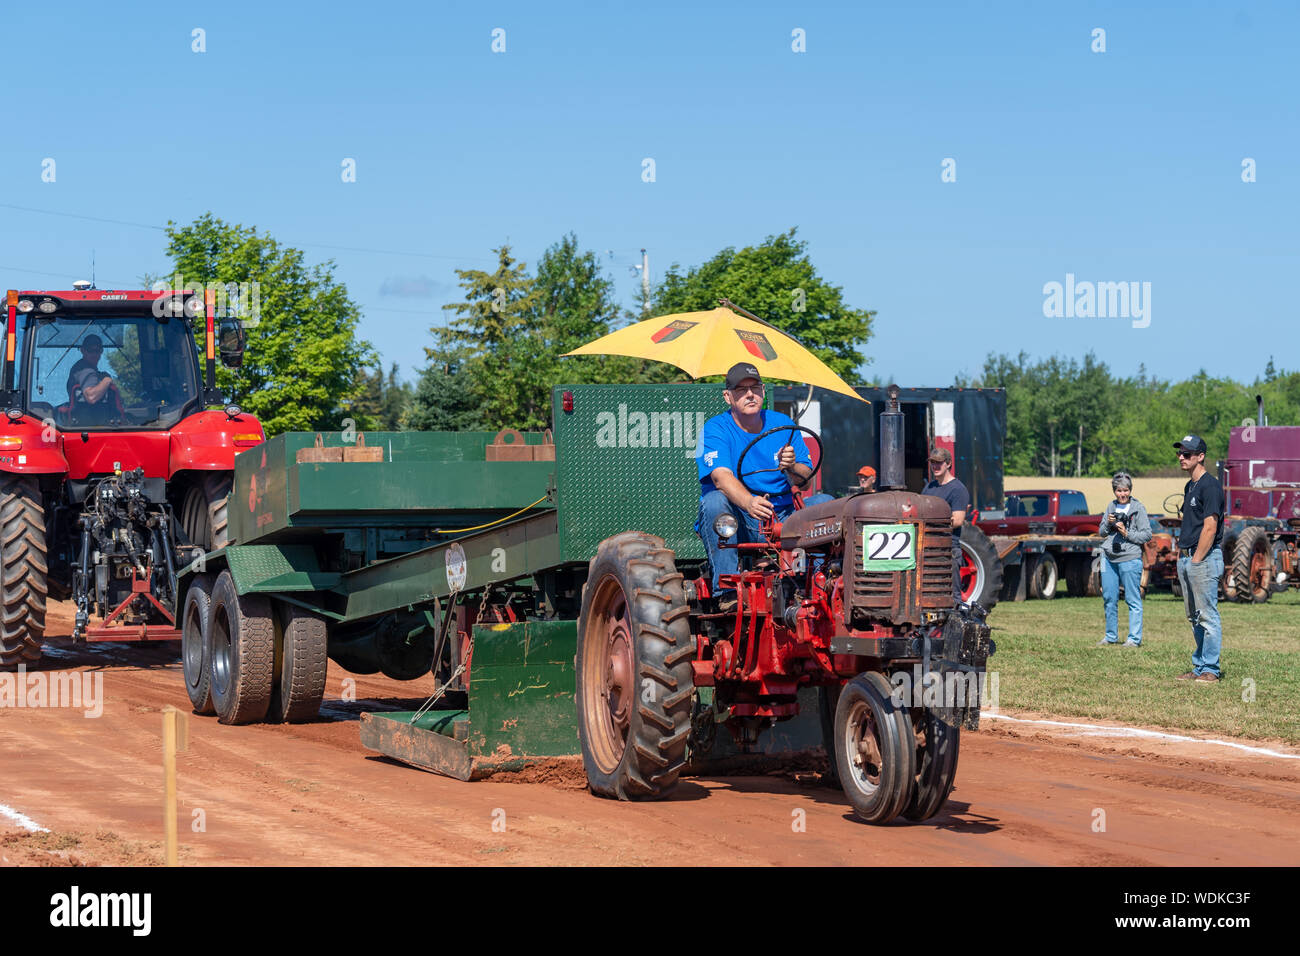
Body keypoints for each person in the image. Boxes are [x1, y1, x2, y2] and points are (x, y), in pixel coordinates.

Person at [696, 362, 833, 606]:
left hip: (785, 516)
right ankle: (727, 591)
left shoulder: (782, 423)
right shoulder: (715, 428)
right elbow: (721, 477)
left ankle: (823, 584)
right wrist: (749, 502)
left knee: (827, 504)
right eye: (741, 390)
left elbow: (804, 478)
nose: (750, 394)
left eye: (755, 388)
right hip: (743, 520)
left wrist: (791, 465)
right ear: (727, 396)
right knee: (714, 501)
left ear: (762, 391)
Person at [1173, 434, 1225, 683]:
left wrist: (1196, 560)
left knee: (1208, 616)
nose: (1181, 457)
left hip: (1202, 559)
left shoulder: (1210, 486)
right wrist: (1182, 556)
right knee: (1194, 617)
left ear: (1201, 456)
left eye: (1188, 453)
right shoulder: (1189, 486)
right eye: (1180, 453)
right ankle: (1200, 666)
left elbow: (1210, 528)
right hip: (1187, 558)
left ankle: (1211, 670)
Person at [1095, 472, 1151, 647]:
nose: (1122, 494)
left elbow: (1147, 535)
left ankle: (1134, 639)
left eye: (1125, 490)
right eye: (1119, 490)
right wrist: (1108, 523)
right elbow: (1102, 533)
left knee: (1132, 599)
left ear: (1130, 490)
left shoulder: (1138, 508)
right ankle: (1110, 636)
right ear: (1114, 491)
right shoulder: (1110, 507)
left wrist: (1127, 533)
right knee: (1109, 598)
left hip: (1130, 558)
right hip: (1109, 557)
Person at [922, 446, 971, 601]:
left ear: (948, 464)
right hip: (928, 547)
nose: (935, 466)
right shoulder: (930, 487)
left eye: (939, 463)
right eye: (933, 463)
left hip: (948, 549)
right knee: (928, 593)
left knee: (951, 595)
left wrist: (930, 524)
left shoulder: (958, 489)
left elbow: (957, 520)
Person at [66, 334, 117, 408]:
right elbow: (91, 397)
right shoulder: (86, 371)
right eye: (90, 350)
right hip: (92, 417)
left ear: (101, 351)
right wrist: (107, 380)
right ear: (82, 350)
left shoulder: (79, 368)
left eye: (97, 350)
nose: (94, 354)